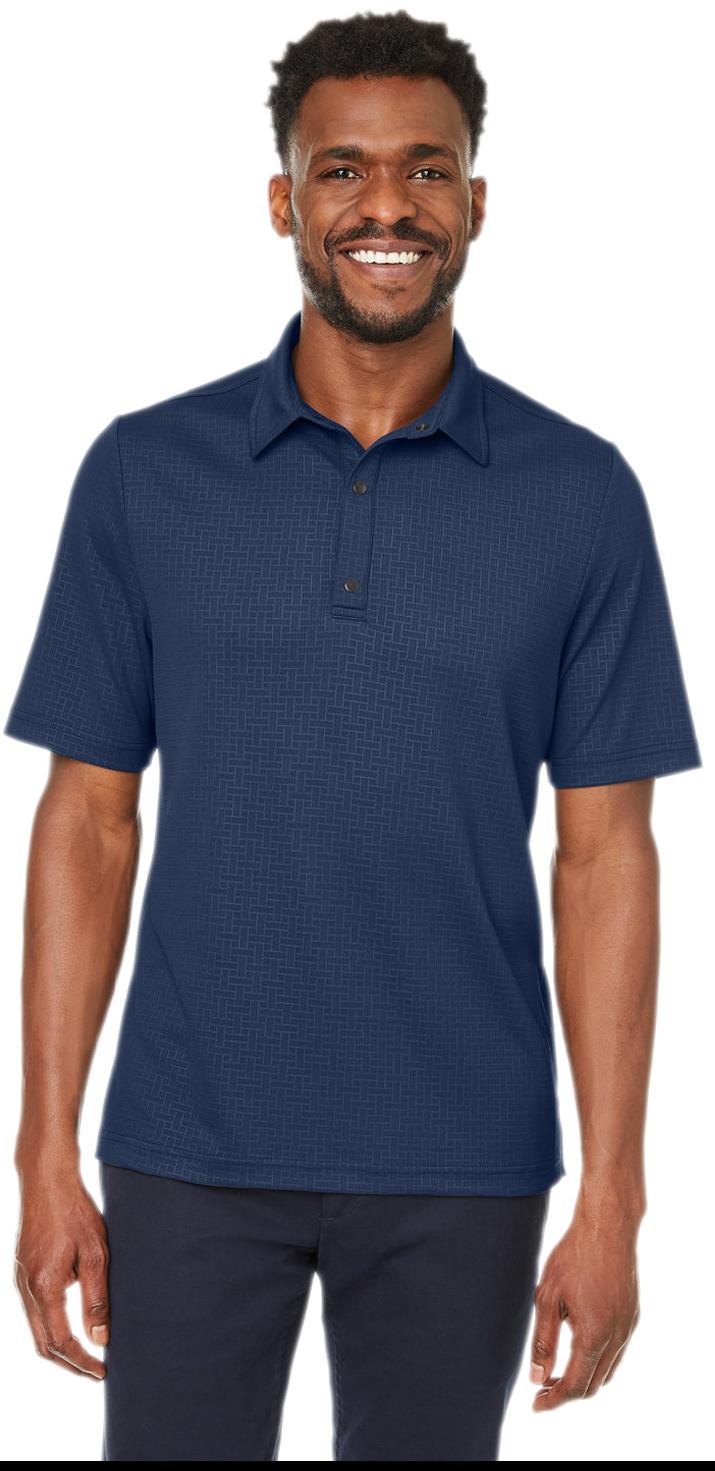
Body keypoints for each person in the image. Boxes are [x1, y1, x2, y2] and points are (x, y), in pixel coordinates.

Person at [4, 9, 703, 1463]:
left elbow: (606, 860)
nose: (388, 205)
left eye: (426, 170)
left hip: (467, 1157)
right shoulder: (144, 474)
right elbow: (87, 820)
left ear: (476, 203)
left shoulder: (581, 496)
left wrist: (616, 1199)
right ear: (284, 202)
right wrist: (43, 1151)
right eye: (343, 169)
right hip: (189, 1147)